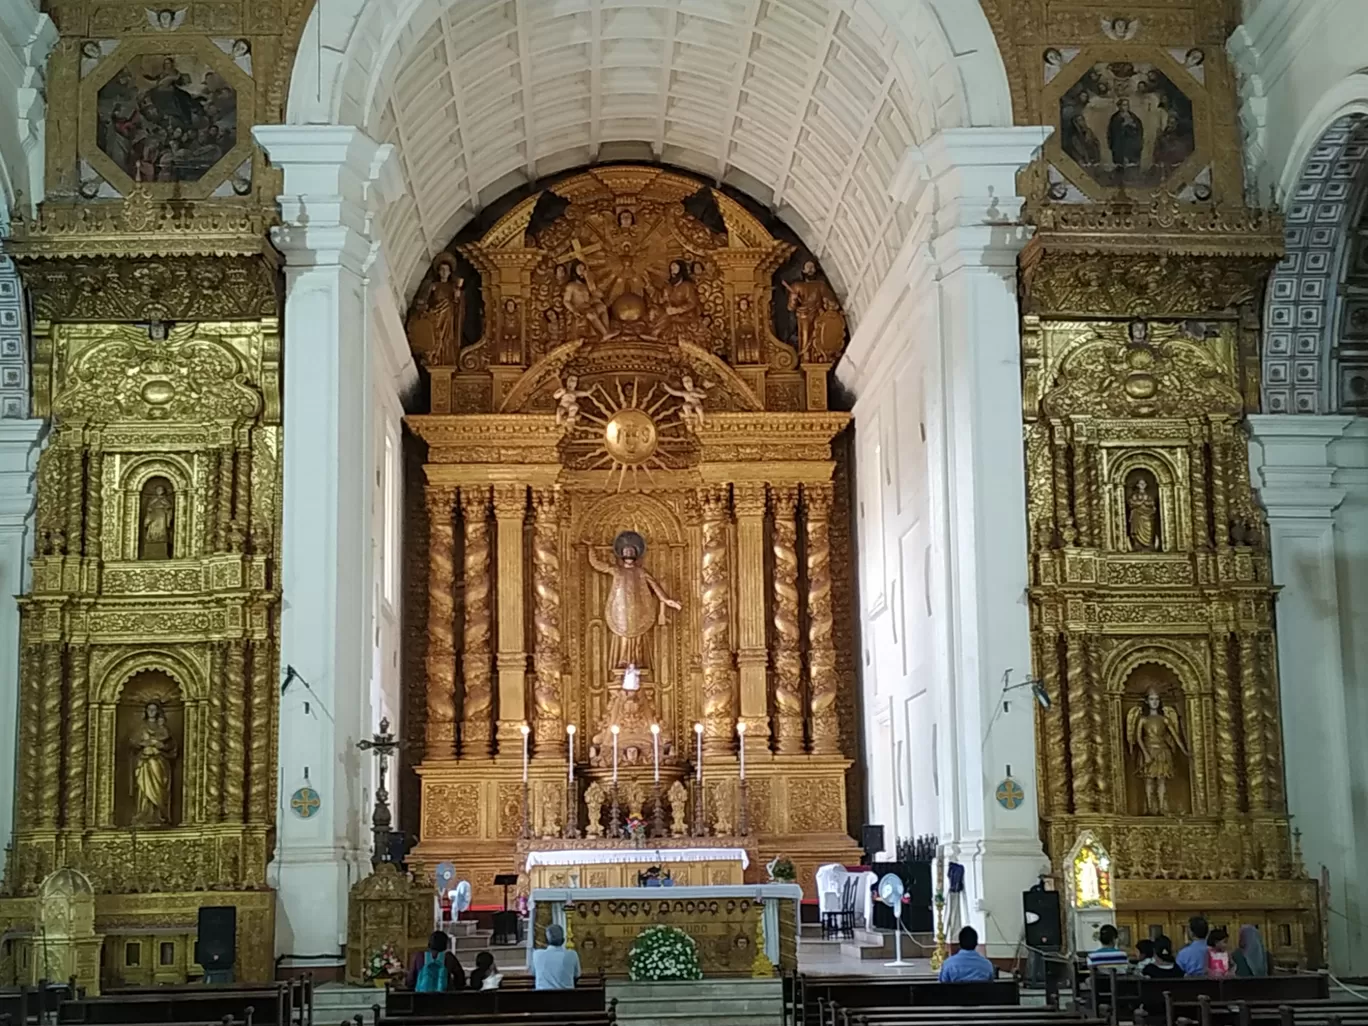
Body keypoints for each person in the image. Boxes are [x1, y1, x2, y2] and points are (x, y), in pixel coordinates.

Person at [533, 923, 581, 990]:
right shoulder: (572, 954)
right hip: (567, 998)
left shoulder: (537, 954)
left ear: (547, 940)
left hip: (543, 998)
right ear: (563, 940)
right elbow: (577, 975)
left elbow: (534, 974)